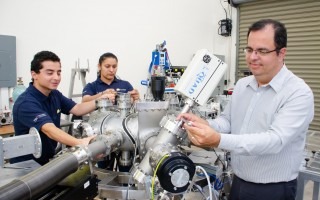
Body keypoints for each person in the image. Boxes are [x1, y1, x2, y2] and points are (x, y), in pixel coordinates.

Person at [178, 19, 314, 200]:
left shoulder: (298, 93)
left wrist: (218, 140)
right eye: (249, 50)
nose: (252, 57)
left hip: (273, 190)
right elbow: (228, 121)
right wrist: (206, 124)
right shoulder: (243, 85)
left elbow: (274, 140)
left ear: (282, 53)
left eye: (262, 51)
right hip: (239, 183)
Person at [11, 50, 109, 166]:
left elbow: (77, 108)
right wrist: (80, 143)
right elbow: (49, 130)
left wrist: (101, 100)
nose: (56, 77)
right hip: (26, 167)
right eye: (50, 73)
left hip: (47, 160)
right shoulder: (26, 102)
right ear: (34, 74)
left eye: (58, 72)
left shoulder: (54, 94)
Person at [82, 52, 139, 171]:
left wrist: (136, 98)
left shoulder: (125, 84)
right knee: (104, 169)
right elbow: (85, 101)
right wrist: (103, 95)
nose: (111, 70)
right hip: (102, 133)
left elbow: (134, 106)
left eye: (114, 66)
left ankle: (124, 187)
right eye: (107, 66)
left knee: (126, 167)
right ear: (99, 66)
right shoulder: (92, 86)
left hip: (124, 132)